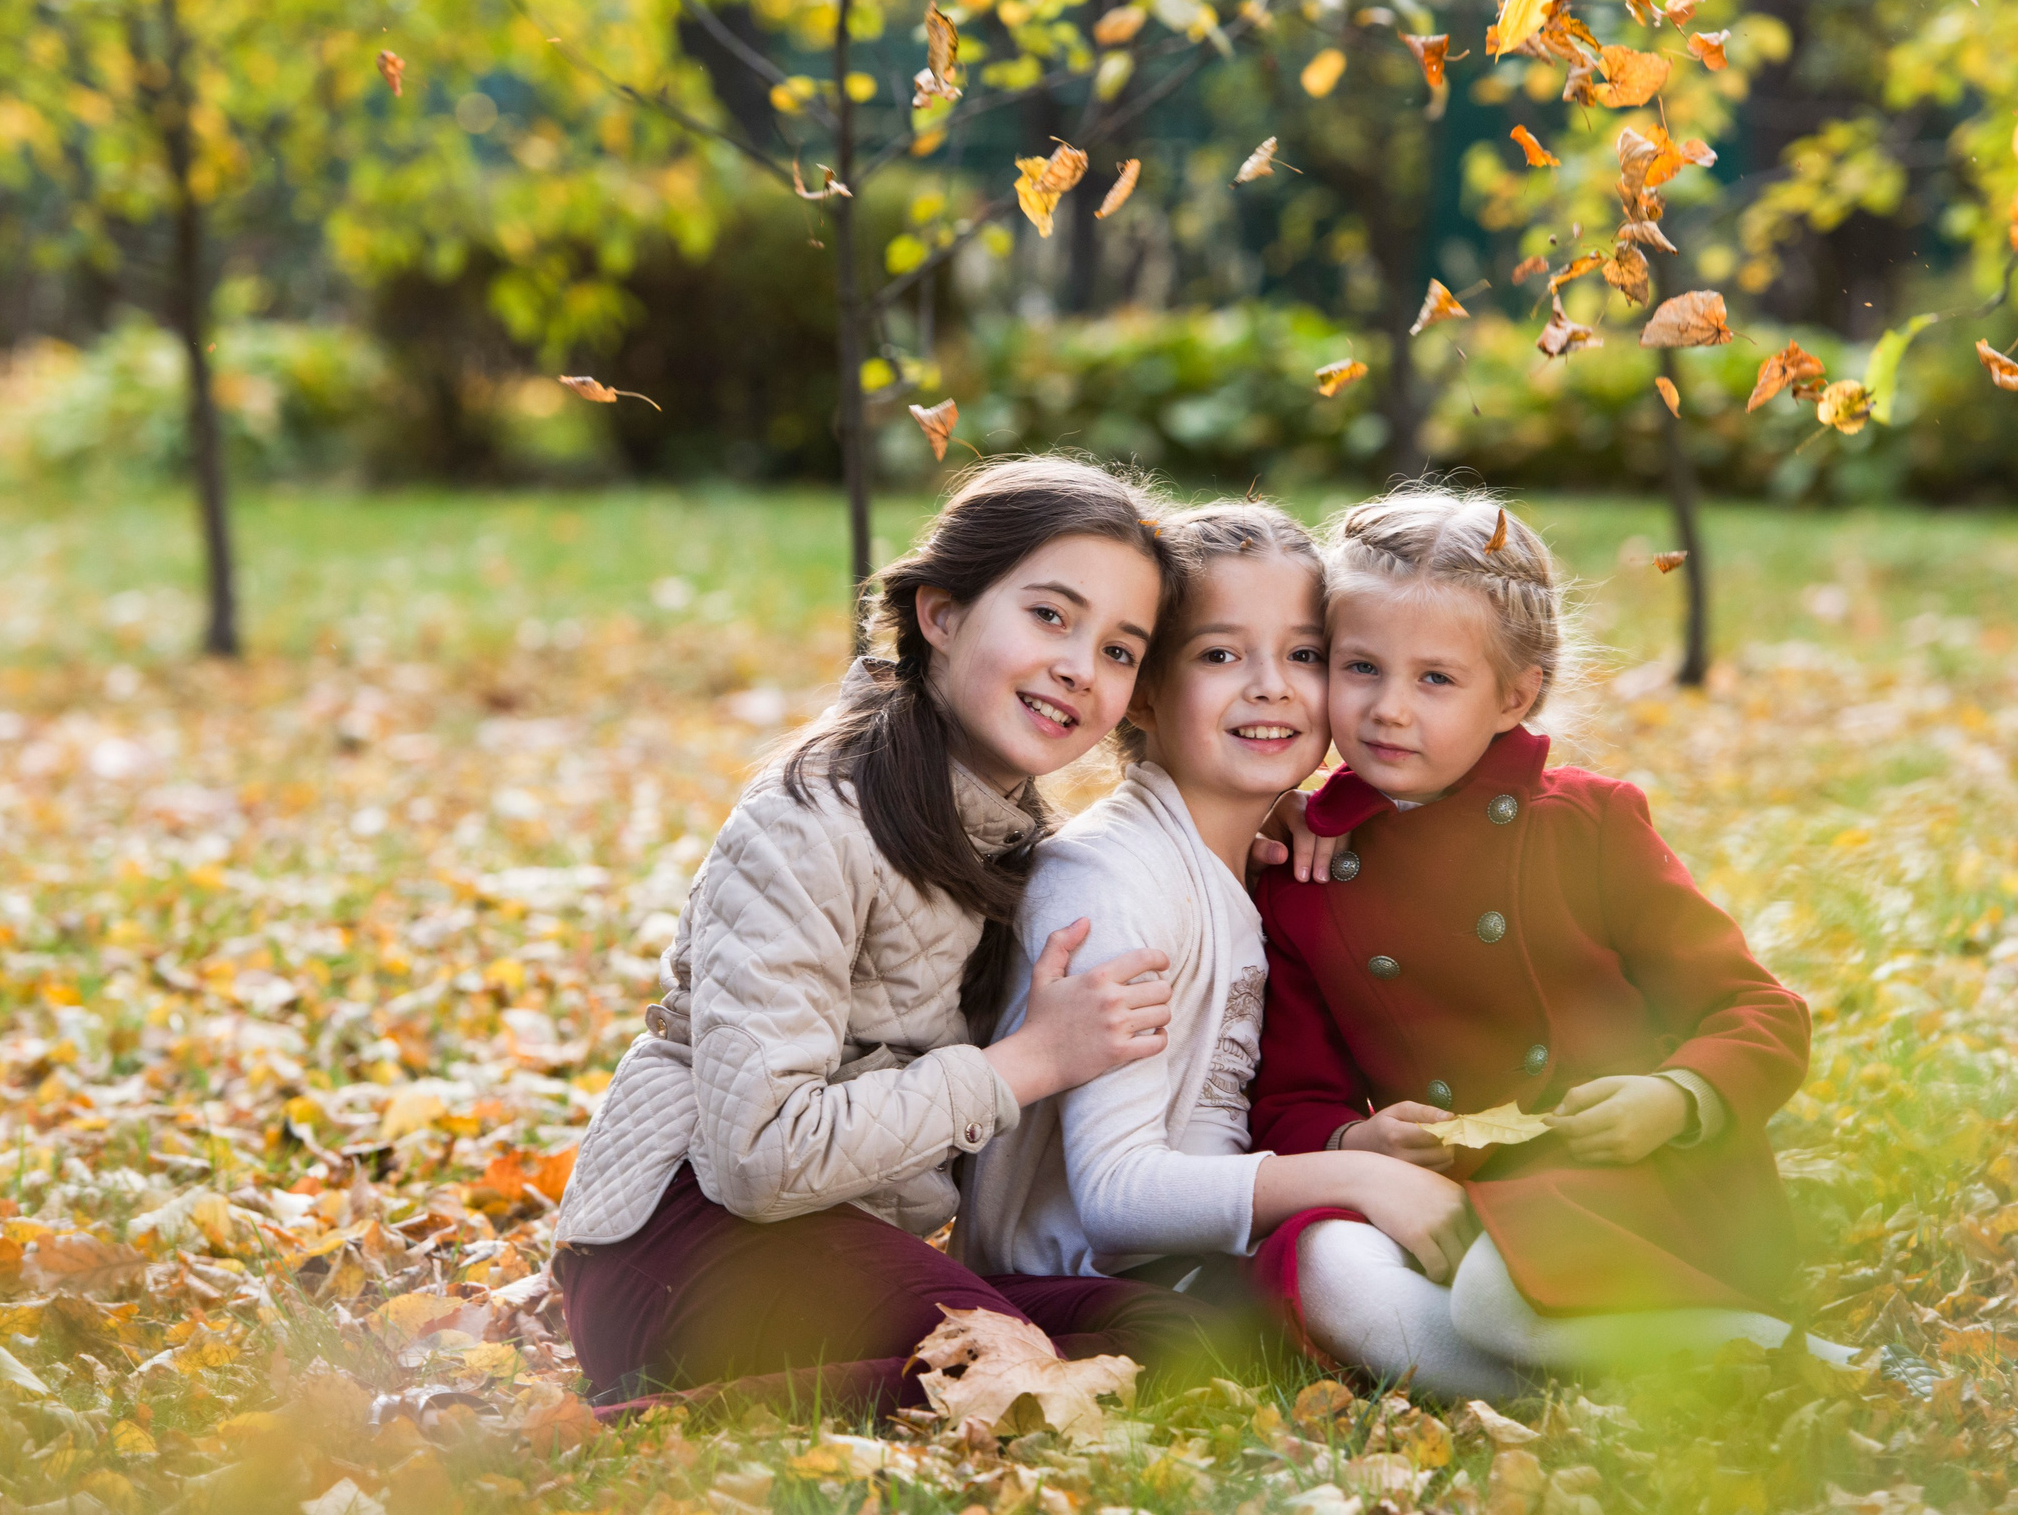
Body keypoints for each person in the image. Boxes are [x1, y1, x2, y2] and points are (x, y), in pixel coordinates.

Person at [551, 457, 1217, 1416]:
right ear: (940, 614)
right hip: (678, 1241)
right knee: (1013, 1373)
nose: (1080, 666)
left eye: (1120, 650)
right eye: (1050, 615)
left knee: (1184, 1341)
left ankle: (775, 1404)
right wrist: (1032, 1060)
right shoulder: (807, 823)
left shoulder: (1014, 841)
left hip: (842, 1244)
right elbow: (758, 1159)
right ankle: (619, 1435)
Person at [1250, 487, 1850, 1393]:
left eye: (1436, 679)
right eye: (1359, 667)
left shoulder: (1586, 825)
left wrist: (1675, 1097)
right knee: (1325, 1264)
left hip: (1641, 1185)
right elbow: (1290, 1099)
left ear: (1515, 694)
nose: (1388, 710)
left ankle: (1787, 1357)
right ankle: (1596, 1386)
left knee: (1499, 1295)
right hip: (1452, 1200)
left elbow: (1760, 1012)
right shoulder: (1300, 869)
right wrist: (1352, 1142)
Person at [958, 504, 1476, 1359]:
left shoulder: (1259, 864)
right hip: (1078, 1286)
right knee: (1293, 1294)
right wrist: (1358, 1174)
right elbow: (1116, 1194)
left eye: (1305, 655)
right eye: (1220, 654)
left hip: (1196, 1258)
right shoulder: (1109, 880)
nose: (1272, 686)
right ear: (1145, 692)